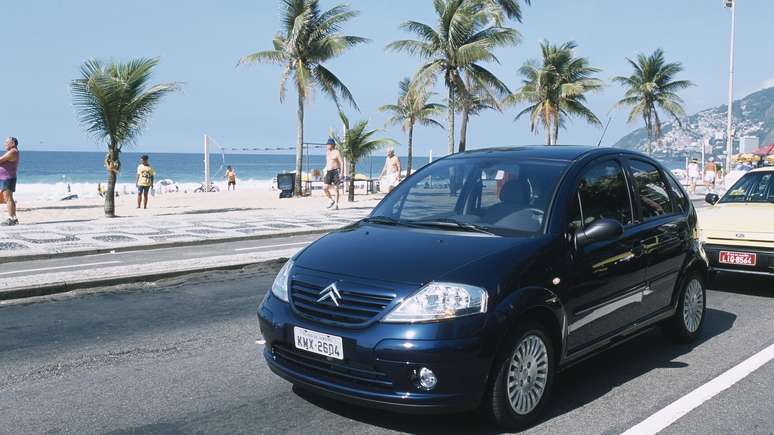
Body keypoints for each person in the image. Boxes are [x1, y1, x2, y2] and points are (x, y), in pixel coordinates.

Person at [0, 137, 19, 226]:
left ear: (13, 143)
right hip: (7, 178)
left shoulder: (13, 151)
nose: (5, 144)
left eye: (7, 142)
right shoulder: (12, 151)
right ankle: (14, 218)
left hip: (8, 178)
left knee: (8, 198)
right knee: (9, 198)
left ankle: (11, 218)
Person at [323, 138, 344, 210]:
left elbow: (341, 162)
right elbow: (328, 163)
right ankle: (331, 200)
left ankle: (337, 204)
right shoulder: (327, 152)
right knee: (325, 188)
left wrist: (342, 173)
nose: (327, 145)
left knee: (336, 188)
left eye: (328, 144)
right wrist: (325, 170)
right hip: (328, 172)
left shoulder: (337, 152)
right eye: (327, 144)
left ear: (332, 145)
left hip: (336, 171)